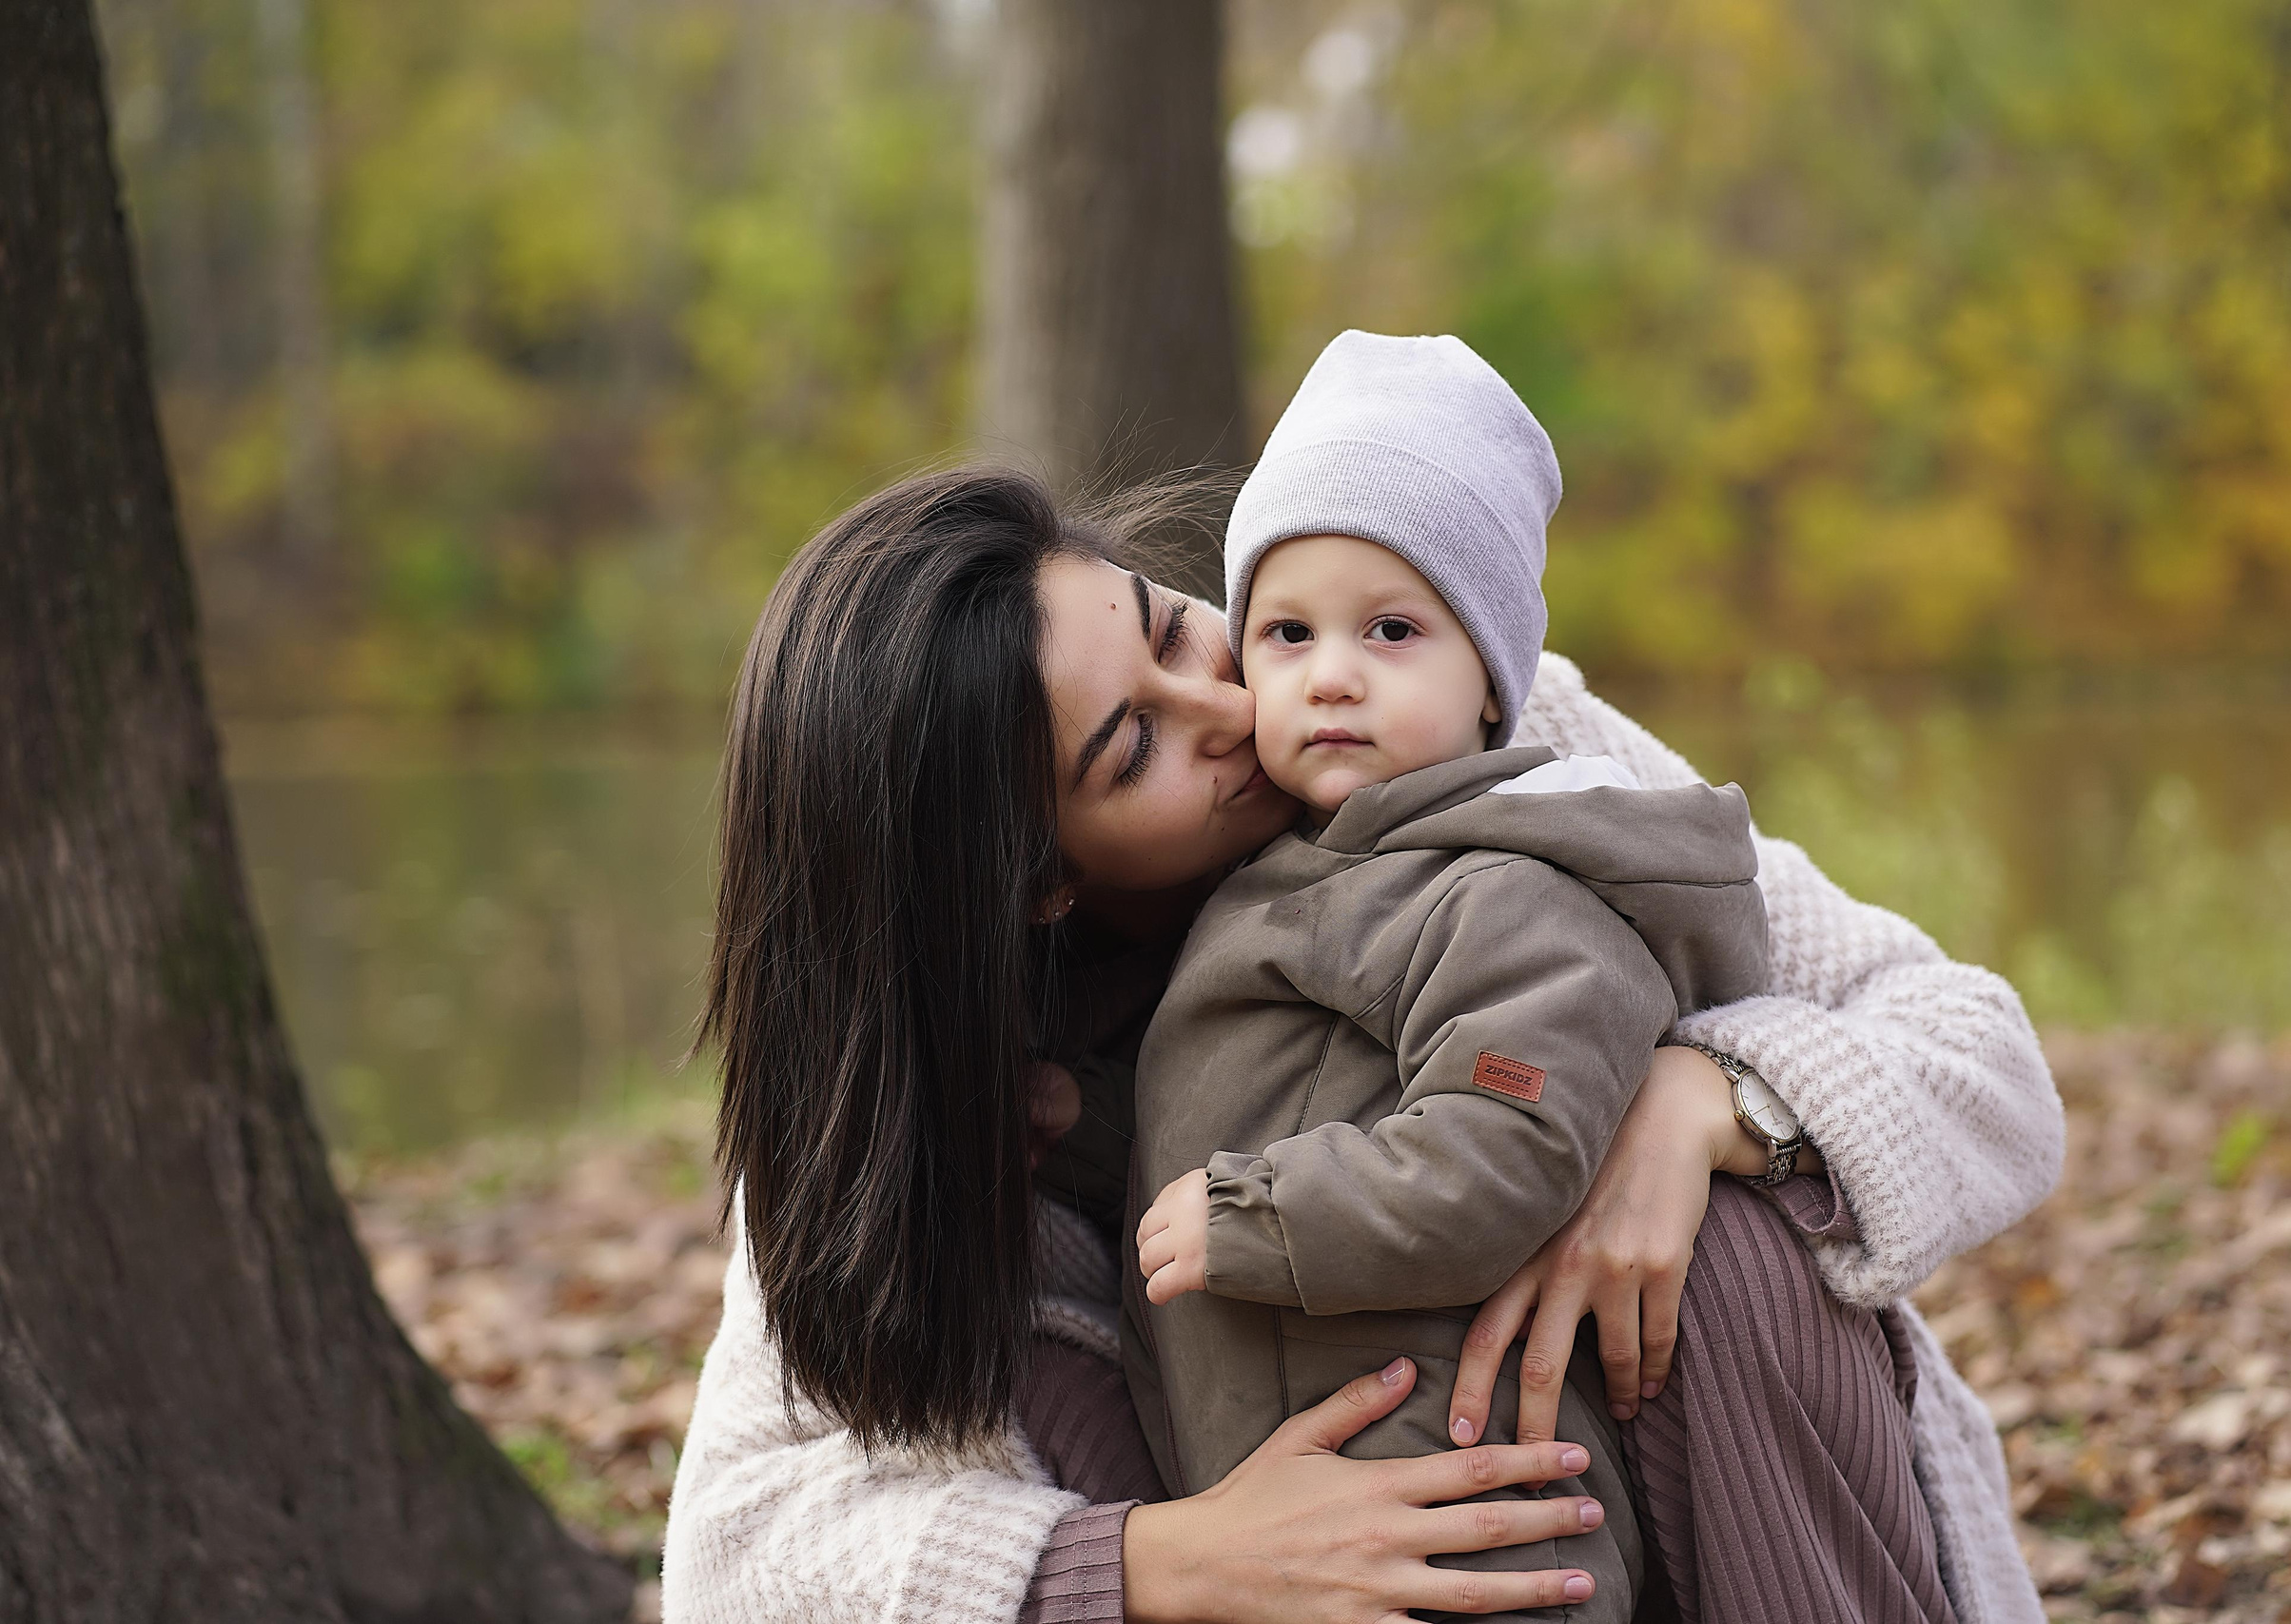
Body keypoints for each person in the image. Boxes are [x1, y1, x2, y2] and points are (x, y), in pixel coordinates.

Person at [662, 457, 2062, 1624]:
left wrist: (1705, 1103)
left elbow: (1980, 1058)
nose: (1242, 711)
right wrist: (1169, 1565)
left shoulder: (1451, 706)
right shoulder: (938, 1091)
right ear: (1029, 879)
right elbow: (734, 1554)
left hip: (1689, 1519)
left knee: (1741, 1245)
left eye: (1170, 628)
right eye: (1131, 749)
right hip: (1271, 1540)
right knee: (1019, 1305)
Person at [1125, 332, 1770, 1620]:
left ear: (1492, 685)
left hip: (1463, 1519)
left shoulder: (1510, 890)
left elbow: (1509, 1143)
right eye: (1288, 633)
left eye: (1394, 629)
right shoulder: (1305, 871)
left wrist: (1260, 1211)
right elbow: (1234, 1090)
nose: (1333, 675)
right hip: (1305, 1512)